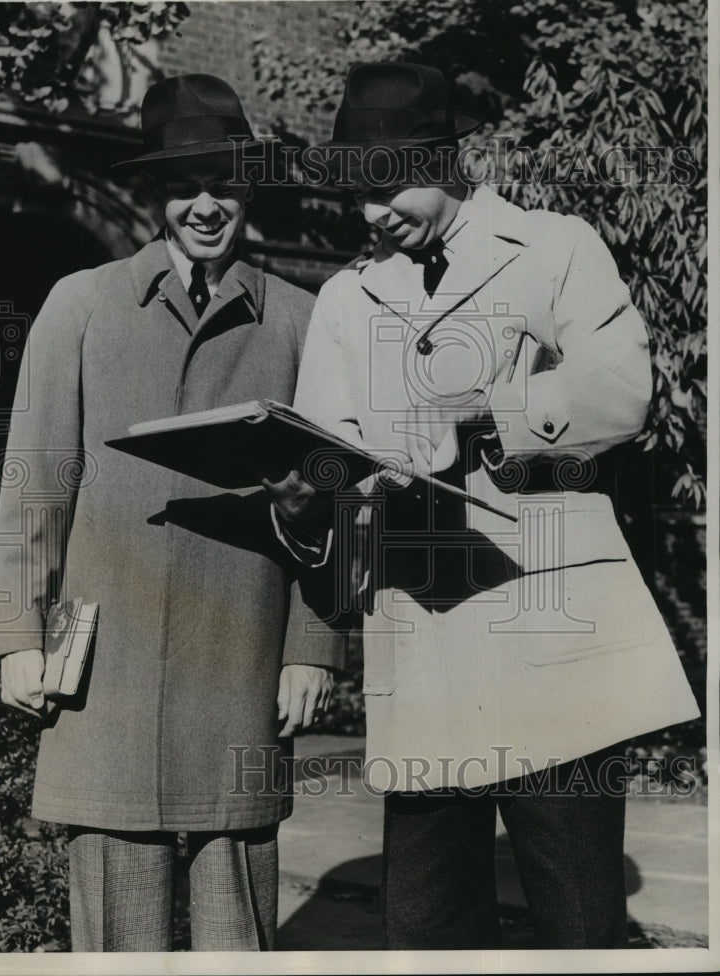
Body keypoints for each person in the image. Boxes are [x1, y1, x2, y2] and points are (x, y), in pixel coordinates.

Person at [266, 61, 700, 949]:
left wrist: (483, 413)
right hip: (422, 651)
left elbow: (623, 391)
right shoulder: (345, 298)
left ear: (447, 162)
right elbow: (328, 453)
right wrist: (311, 491)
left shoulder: (555, 247)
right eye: (358, 194)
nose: (371, 214)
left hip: (558, 646)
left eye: (388, 187)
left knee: (579, 928)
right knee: (425, 934)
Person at [0, 74, 345, 952]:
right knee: (116, 937)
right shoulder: (82, 303)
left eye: (224, 183)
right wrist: (17, 634)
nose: (206, 206)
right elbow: (35, 483)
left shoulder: (300, 321)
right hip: (107, 664)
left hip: (241, 661)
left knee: (237, 932)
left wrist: (312, 644)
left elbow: (333, 499)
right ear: (155, 192)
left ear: (249, 188)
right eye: (185, 185)